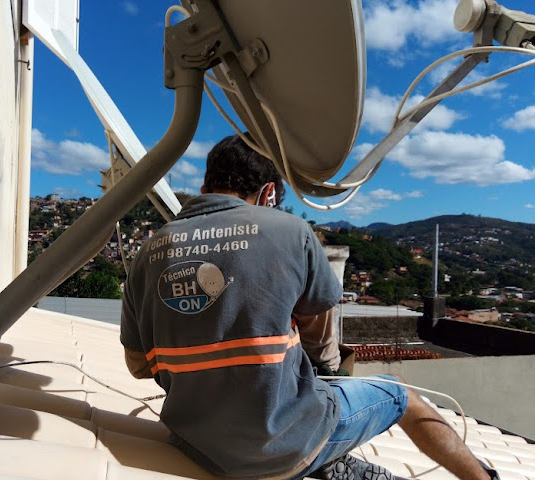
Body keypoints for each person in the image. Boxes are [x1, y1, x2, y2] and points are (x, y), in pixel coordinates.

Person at [120, 134, 498, 480]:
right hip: (283, 446)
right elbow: (321, 343)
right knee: (401, 395)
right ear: (268, 192)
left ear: (204, 188)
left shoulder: (149, 251)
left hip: (194, 444)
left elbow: (138, 366)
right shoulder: (291, 232)